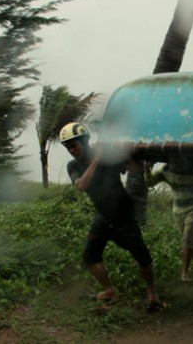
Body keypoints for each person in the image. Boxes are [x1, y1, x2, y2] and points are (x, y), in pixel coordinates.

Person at [59, 122, 162, 309]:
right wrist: (97, 160)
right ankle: (109, 291)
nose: (71, 150)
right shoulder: (73, 165)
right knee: (90, 256)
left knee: (141, 255)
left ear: (84, 140)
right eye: (68, 147)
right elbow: (81, 186)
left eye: (74, 144)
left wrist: (127, 154)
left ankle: (152, 291)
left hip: (123, 213)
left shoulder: (108, 155)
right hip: (103, 215)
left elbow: (133, 169)